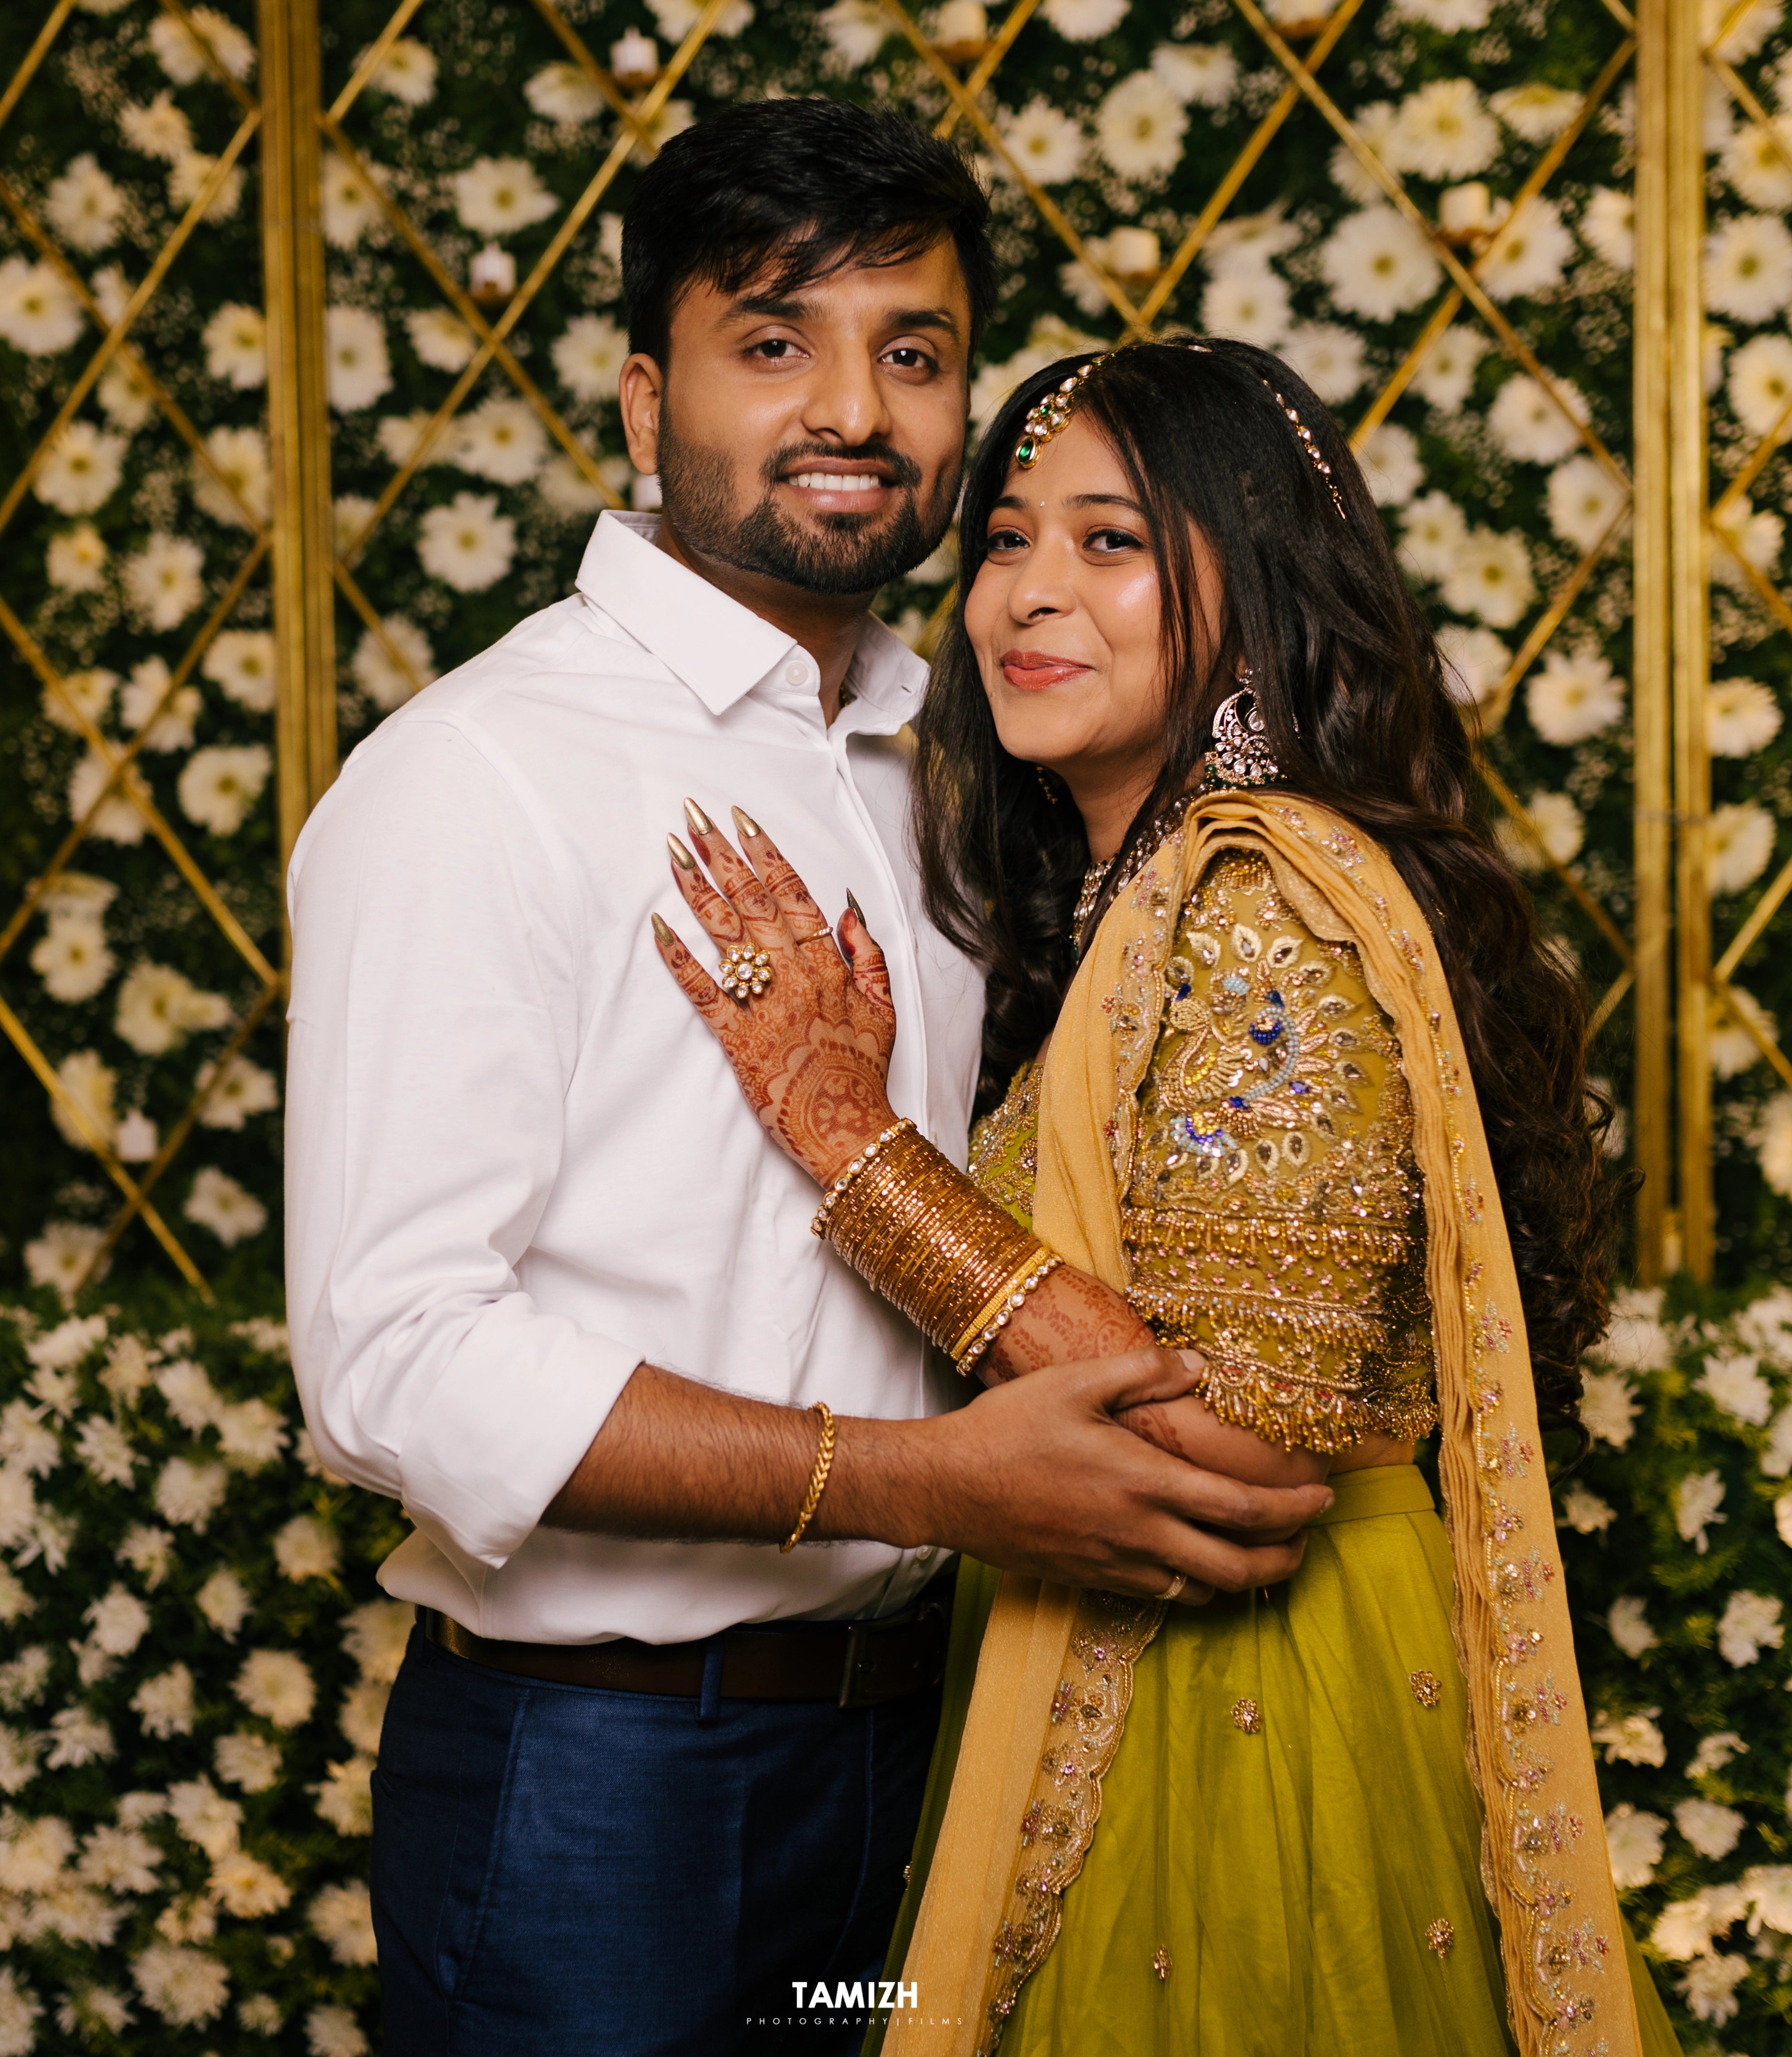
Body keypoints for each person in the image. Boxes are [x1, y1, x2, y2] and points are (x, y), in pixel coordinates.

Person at [284, 105, 1332, 2056]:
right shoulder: (479, 777)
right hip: (607, 1789)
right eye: (773, 341)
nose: (852, 407)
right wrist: (928, 1482)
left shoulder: (972, 751)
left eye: (912, 352)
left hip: (937, 1760)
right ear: (637, 394)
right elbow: (393, 1362)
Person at [654, 337, 1687, 2055]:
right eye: (1000, 538)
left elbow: (1225, 1453)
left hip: (1236, 1724)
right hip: (1118, 1674)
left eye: (1107, 542)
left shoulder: (1256, 895)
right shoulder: (1136, 902)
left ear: (1256, 580)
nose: (1023, 596)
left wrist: (840, 1133)